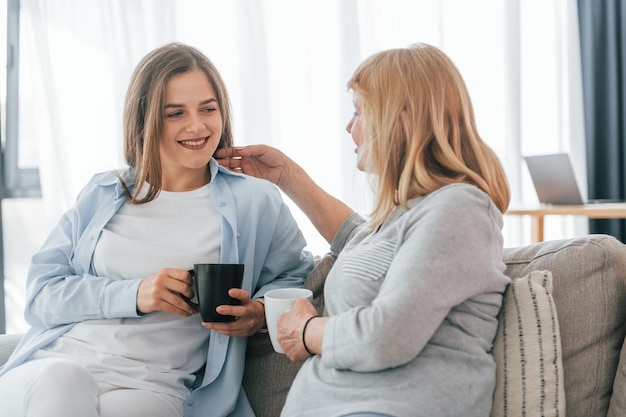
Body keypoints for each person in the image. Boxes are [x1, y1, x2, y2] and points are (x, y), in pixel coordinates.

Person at [0, 42, 314, 417]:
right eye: (175, 113)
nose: (196, 126)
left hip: (153, 385)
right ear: (145, 119)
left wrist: (260, 313)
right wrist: (135, 293)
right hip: (54, 368)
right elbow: (40, 295)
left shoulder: (255, 202)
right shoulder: (103, 193)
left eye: (208, 109)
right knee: (66, 381)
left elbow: (296, 275)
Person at [216, 43, 511, 417]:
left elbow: (389, 336)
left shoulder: (459, 210)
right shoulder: (407, 215)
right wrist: (285, 175)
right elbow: (355, 238)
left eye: (359, 112)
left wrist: (307, 332)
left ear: (400, 121)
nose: (349, 127)